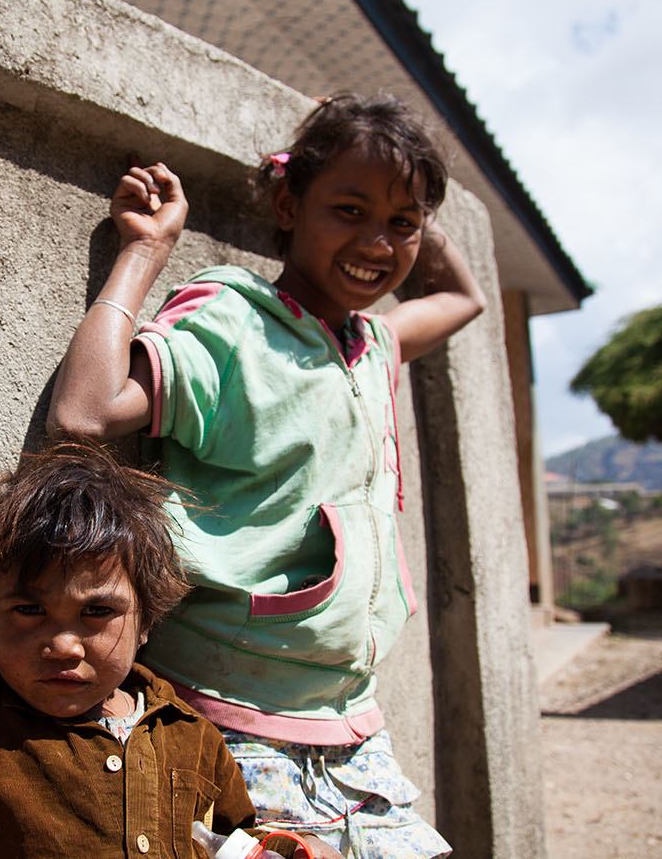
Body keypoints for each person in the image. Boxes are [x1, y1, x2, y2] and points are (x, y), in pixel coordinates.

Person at [45, 94, 488, 857]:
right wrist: (145, 253)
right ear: (288, 204)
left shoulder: (373, 345)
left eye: (401, 224)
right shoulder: (231, 322)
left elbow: (465, 297)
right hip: (225, 710)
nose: (376, 243)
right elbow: (83, 412)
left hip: (350, 718)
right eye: (347, 209)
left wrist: (400, 181)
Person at [0, 441, 341, 859]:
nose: (64, 646)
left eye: (97, 611)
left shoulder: (194, 738)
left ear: (145, 622)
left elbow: (238, 840)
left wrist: (293, 847)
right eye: (30, 610)